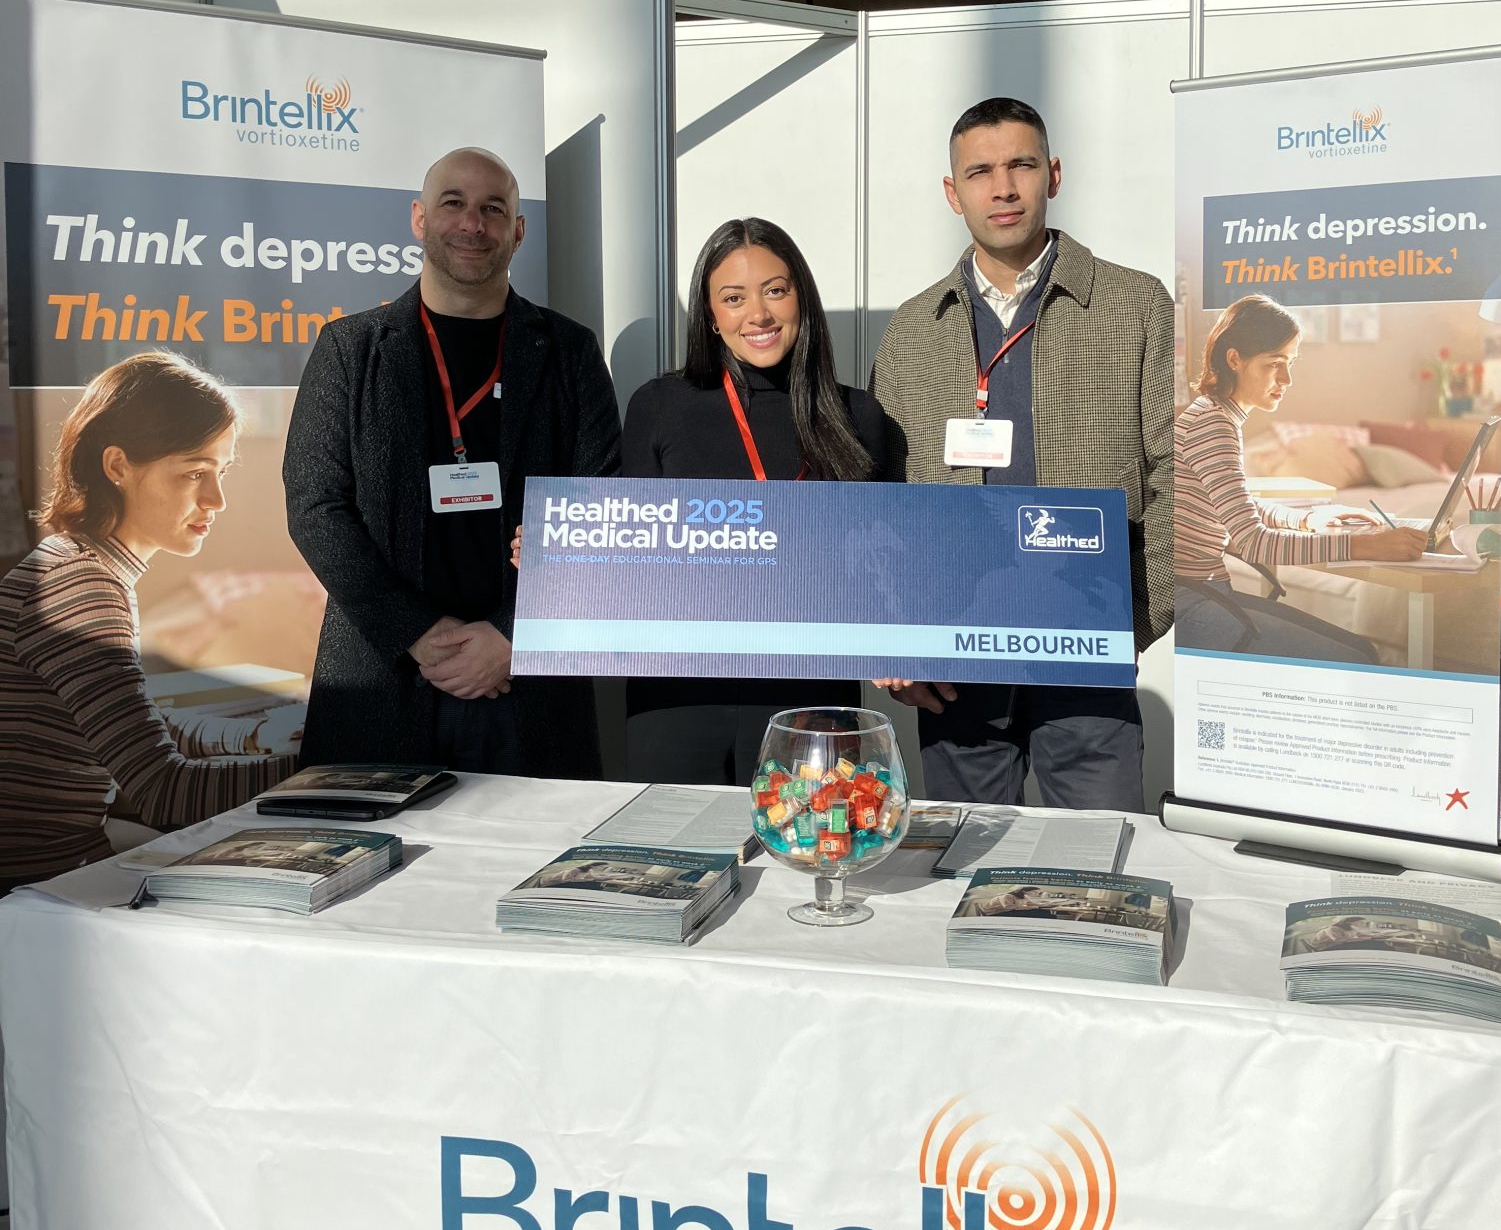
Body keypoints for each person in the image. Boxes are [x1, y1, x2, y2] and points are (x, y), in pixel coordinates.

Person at [870, 95, 1171, 812]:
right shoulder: (913, 329)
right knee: (963, 859)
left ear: (1054, 175)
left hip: (1086, 654)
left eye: (1021, 166)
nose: (1002, 188)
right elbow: (882, 500)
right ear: (954, 193)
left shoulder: (1135, 306)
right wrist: (894, 635)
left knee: (1095, 861)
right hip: (955, 664)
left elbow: (1180, 477)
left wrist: (1132, 620)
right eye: (980, 173)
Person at [284, 146, 620, 777]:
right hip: (383, 679)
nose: (472, 224)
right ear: (419, 218)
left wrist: (512, 635)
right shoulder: (350, 350)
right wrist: (418, 633)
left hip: (527, 684)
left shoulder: (569, 352)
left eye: (493, 209)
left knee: (541, 843)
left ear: (518, 230)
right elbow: (315, 508)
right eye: (454, 203)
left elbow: (601, 511)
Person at [0, 352, 296, 890]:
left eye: (221, 472)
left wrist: (255, 735)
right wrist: (327, 764)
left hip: (67, 854)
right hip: (39, 882)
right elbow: (163, 791)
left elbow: (134, 729)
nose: (217, 499)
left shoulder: (79, 563)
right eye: (194, 473)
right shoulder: (82, 587)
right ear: (117, 467)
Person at [620, 217, 888, 784]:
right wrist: (555, 557)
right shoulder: (659, 406)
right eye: (734, 298)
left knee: (812, 841)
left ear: (801, 298)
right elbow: (626, 555)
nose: (758, 314)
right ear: (711, 315)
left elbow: (884, 564)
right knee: (671, 840)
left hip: (811, 701)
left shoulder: (858, 416)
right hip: (677, 698)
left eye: (775, 290)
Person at [1175, 295, 1424, 660]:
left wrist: (1307, 519)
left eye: (1289, 363)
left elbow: (1233, 504)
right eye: (1274, 364)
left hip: (1202, 593)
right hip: (1190, 603)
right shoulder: (1214, 425)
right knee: (1359, 657)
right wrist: (1367, 546)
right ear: (1235, 359)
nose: (1287, 379)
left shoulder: (1212, 413)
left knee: (1361, 649)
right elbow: (1253, 543)